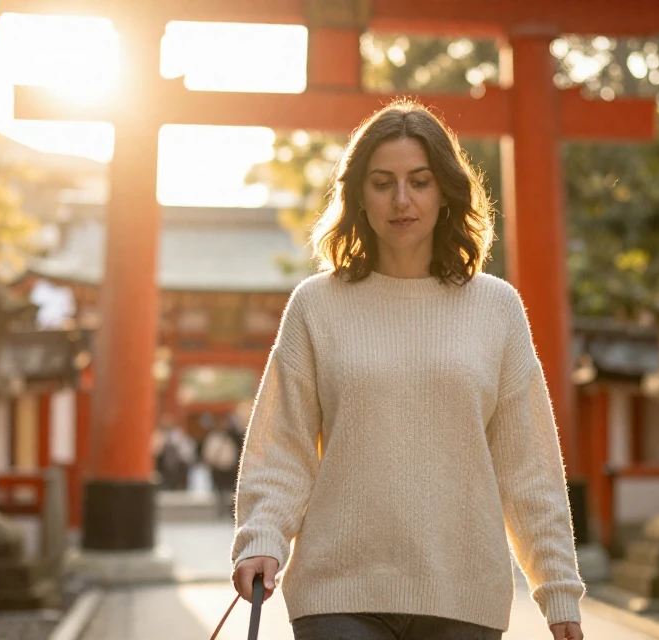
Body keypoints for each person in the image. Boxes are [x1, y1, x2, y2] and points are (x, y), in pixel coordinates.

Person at [229, 99, 586, 640]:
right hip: (337, 590)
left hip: (463, 593)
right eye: (382, 182)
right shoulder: (315, 305)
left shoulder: (498, 308)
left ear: (444, 190)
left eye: (419, 181)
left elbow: (527, 464)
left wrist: (558, 589)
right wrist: (262, 538)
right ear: (358, 195)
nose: (402, 200)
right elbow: (283, 445)